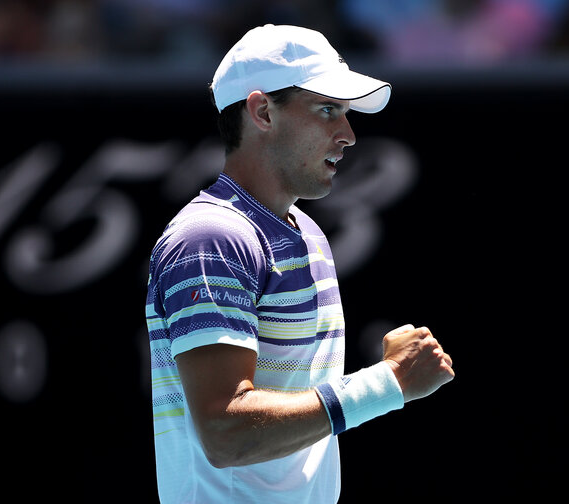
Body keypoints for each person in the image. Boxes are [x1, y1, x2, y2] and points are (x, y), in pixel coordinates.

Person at [145, 24, 455, 504]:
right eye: (328, 110)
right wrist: (388, 382)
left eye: (346, 114)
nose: (348, 135)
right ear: (263, 111)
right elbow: (225, 431)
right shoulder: (212, 239)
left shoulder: (308, 234)